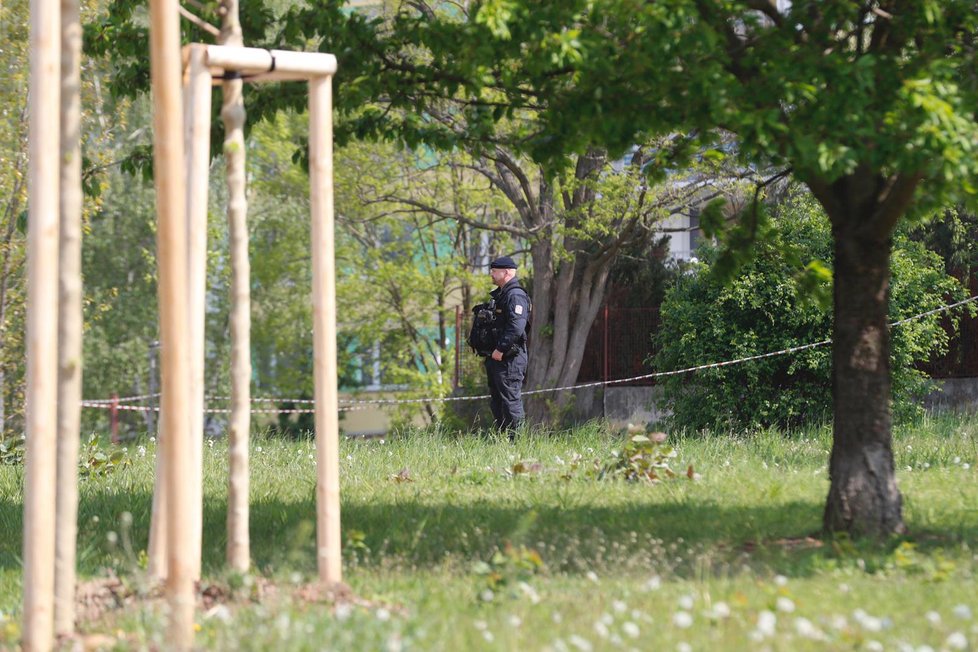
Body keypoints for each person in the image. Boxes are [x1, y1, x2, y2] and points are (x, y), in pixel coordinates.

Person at [483, 255, 530, 436]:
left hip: (509, 358)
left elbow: (516, 327)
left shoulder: (515, 295)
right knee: (498, 402)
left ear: (508, 272)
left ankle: (517, 442)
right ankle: (504, 440)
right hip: (497, 358)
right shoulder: (502, 295)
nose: (492, 274)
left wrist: (500, 349)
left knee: (510, 401)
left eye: (495, 271)